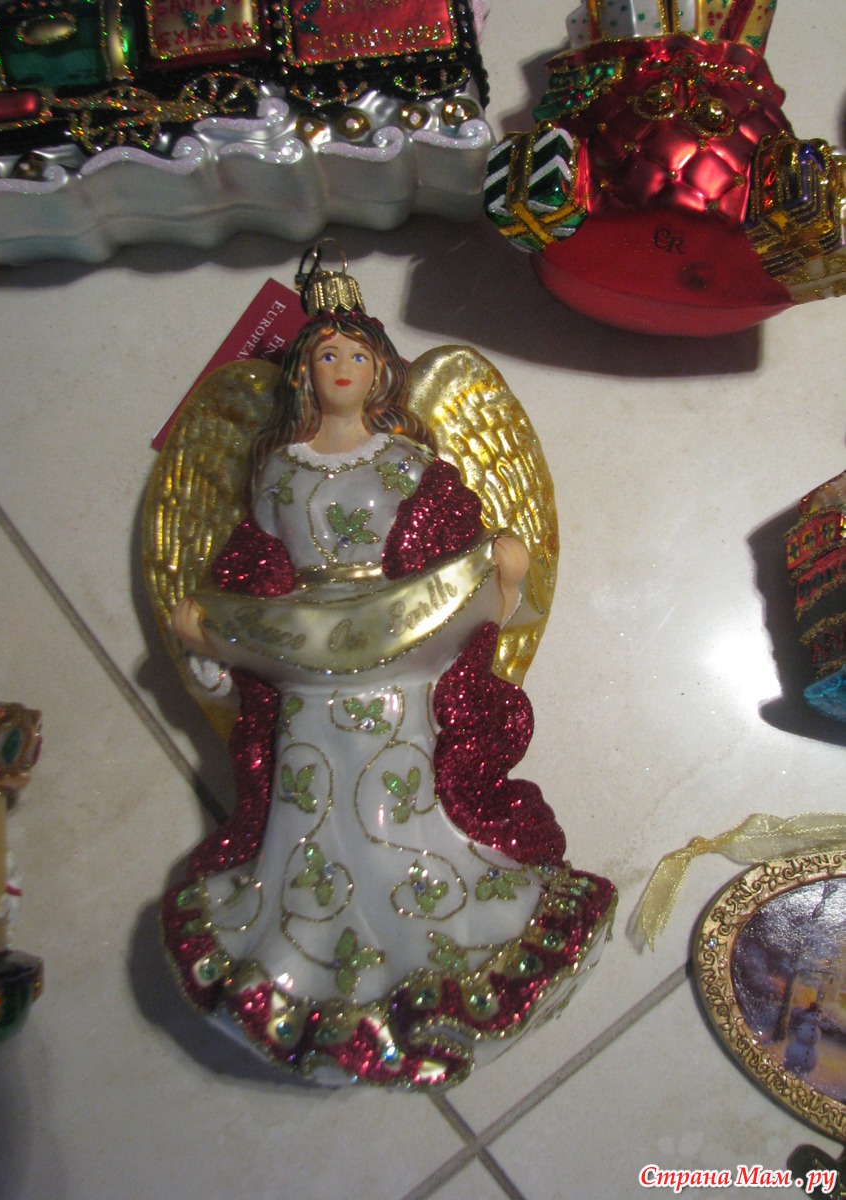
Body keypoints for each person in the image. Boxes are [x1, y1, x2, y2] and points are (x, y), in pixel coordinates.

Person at [161, 264, 615, 1088]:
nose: (342, 368)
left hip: (403, 645)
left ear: (380, 373)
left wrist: (500, 568)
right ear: (304, 375)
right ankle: (306, 945)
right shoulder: (278, 472)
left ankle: (434, 920)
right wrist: (212, 630)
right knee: (311, 787)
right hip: (303, 655)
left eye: (357, 357)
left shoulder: (407, 461)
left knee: (401, 787)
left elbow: (454, 547)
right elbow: (250, 568)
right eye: (326, 356)